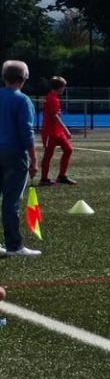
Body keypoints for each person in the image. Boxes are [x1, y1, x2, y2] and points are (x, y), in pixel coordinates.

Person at [1, 60, 39, 259]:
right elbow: (26, 131)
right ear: (24, 78)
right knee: (11, 201)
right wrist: (34, 158)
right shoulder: (22, 100)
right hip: (14, 153)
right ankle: (14, 245)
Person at [37, 75, 76, 187]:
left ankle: (62, 176)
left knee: (68, 150)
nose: (64, 89)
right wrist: (66, 129)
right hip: (50, 132)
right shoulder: (51, 98)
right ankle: (44, 179)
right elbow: (54, 116)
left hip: (57, 131)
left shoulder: (55, 98)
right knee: (48, 155)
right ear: (59, 87)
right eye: (63, 87)